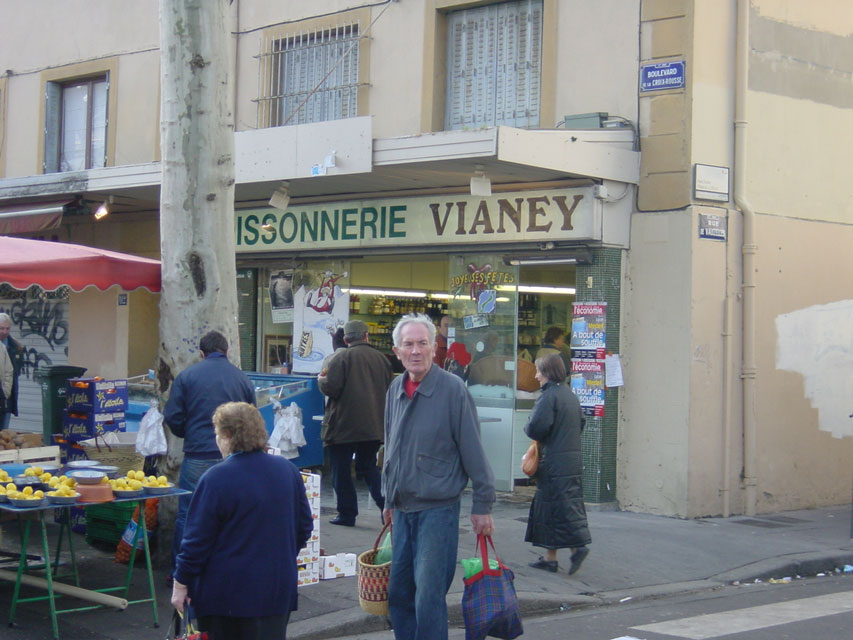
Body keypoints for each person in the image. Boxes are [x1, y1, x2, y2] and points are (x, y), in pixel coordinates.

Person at [382, 313, 495, 640]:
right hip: (402, 509)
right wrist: (388, 498)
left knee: (428, 596)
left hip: (437, 510)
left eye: (422, 343)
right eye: (408, 344)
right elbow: (391, 445)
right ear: (396, 350)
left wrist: (483, 504)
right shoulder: (395, 387)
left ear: (435, 349)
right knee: (399, 595)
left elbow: (473, 449)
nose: (415, 351)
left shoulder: (453, 390)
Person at [171, 402, 313, 640]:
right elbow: (304, 527)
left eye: (217, 434)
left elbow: (196, 542)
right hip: (277, 589)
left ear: (227, 436)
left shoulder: (216, 478)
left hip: (228, 595)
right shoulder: (287, 470)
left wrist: (180, 584)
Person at [163, 330, 257, 576]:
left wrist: (190, 433)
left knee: (189, 513)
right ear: (227, 352)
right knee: (232, 514)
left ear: (202, 354)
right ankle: (225, 569)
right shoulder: (243, 379)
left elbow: (172, 416)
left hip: (199, 454)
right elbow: (252, 418)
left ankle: (181, 573)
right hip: (236, 457)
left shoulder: (187, 377)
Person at [318, 320, 392, 526]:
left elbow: (331, 387)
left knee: (340, 469)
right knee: (368, 467)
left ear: (345, 339)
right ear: (367, 336)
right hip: (374, 427)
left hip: (343, 425)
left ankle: (347, 513)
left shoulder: (342, 357)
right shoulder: (382, 360)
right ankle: (387, 508)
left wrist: (320, 380)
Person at [524, 353, 591, 575]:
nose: (536, 375)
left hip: (552, 461)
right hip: (570, 459)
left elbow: (536, 427)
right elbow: (581, 422)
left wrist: (528, 427)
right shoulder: (570, 395)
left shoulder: (549, 396)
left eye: (539, 371)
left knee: (556, 507)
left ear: (548, 373)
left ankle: (577, 547)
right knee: (557, 506)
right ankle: (549, 558)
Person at [0, 313, 23, 430]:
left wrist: (7, 391)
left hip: (7, 396)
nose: (4, 331)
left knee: (3, 432)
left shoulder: (16, 347)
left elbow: (16, 371)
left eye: (7, 328)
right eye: (1, 328)